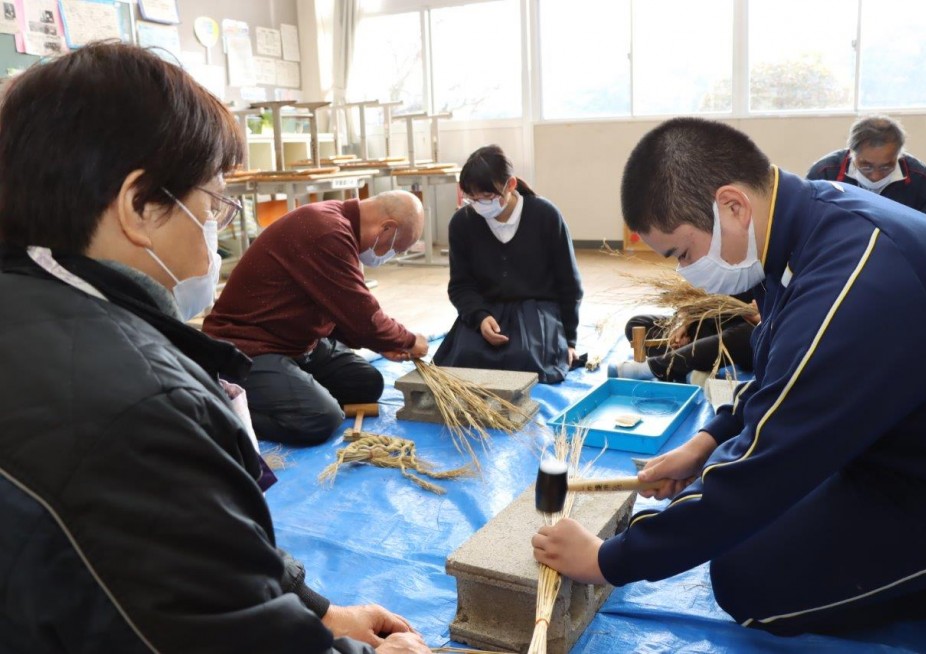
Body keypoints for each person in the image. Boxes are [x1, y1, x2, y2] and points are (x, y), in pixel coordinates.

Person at [0, 43, 429, 653]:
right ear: (140, 206)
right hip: (260, 349)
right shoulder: (145, 409)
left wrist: (320, 610)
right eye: (213, 205)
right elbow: (233, 634)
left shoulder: (36, 305)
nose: (216, 231)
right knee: (321, 416)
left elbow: (206, 558)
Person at [532, 117, 926, 649]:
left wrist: (607, 560)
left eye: (682, 253)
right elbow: (780, 373)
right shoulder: (806, 222)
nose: (687, 273)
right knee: (748, 542)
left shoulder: (852, 284)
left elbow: (762, 472)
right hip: (899, 443)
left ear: (732, 206)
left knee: (750, 581)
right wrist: (707, 441)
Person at [203, 190, 429, 446]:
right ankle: (219, 408)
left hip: (297, 342)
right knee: (321, 418)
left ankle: (291, 387)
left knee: (366, 384)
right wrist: (407, 341)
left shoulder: (340, 227)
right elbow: (362, 315)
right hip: (250, 347)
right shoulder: (326, 230)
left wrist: (385, 343)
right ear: (387, 228)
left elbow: (342, 313)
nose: (390, 256)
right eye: (395, 249)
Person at [433, 145, 583, 383]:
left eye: (488, 197)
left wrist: (569, 340)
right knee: (463, 361)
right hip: (486, 308)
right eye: (473, 198)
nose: (480, 205)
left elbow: (569, 283)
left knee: (527, 361)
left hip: (536, 309)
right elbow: (460, 285)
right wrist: (479, 316)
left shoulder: (545, 215)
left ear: (510, 185)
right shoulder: (462, 222)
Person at [807, 115, 926, 219]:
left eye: (886, 167)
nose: (876, 176)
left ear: (899, 155)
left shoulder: (919, 178)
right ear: (851, 153)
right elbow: (807, 224)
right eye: (866, 166)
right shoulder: (824, 174)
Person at [611, 294, 759, 382]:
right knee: (637, 323)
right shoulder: (719, 266)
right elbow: (691, 301)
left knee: (749, 334)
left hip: (736, 338)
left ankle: (651, 368)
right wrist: (682, 324)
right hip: (701, 326)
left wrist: (759, 317)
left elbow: (775, 322)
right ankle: (690, 366)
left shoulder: (767, 271)